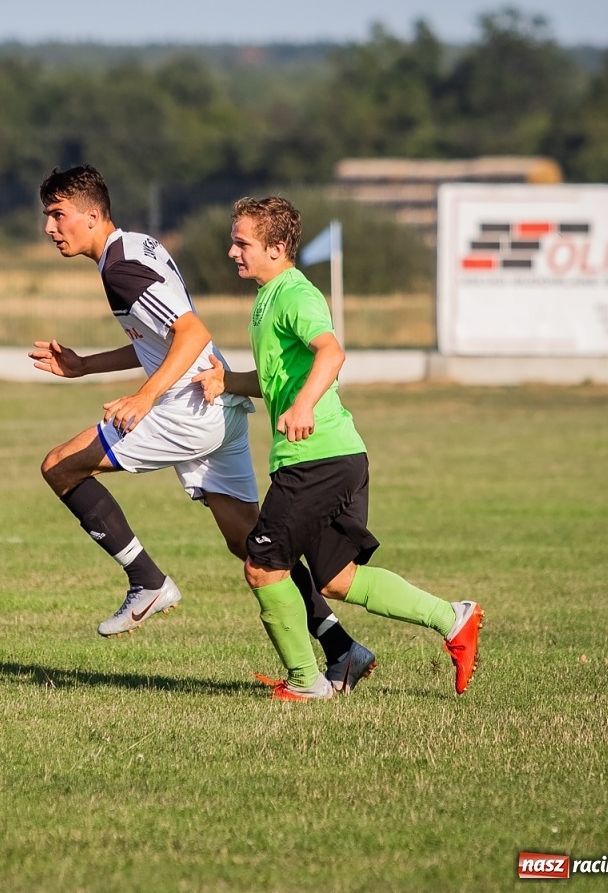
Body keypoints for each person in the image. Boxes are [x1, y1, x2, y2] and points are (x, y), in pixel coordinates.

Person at [30, 166, 376, 693]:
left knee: (60, 466)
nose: (50, 228)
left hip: (186, 410)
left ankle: (147, 581)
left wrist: (145, 397)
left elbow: (191, 333)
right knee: (256, 550)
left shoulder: (120, 269)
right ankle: (341, 648)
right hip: (216, 399)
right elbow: (160, 338)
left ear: (93, 214)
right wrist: (85, 366)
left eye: (59, 215)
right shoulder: (137, 247)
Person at [192, 196, 483, 701]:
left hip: (316, 459)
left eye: (242, 243)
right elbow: (276, 379)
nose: (232, 252)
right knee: (336, 579)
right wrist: (229, 382)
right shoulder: (267, 298)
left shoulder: (294, 294)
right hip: (334, 457)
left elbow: (331, 352)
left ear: (276, 247)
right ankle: (452, 618)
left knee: (263, 566)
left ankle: (307, 683)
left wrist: (303, 406)